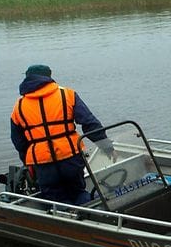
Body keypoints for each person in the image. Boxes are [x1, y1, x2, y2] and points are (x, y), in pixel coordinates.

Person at [10, 64, 114, 205]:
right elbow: (90, 123)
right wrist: (106, 147)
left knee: (55, 200)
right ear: (49, 76)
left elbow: (19, 141)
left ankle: (62, 220)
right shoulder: (67, 95)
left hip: (42, 162)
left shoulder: (19, 106)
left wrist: (28, 163)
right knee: (78, 192)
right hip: (70, 156)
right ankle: (92, 217)